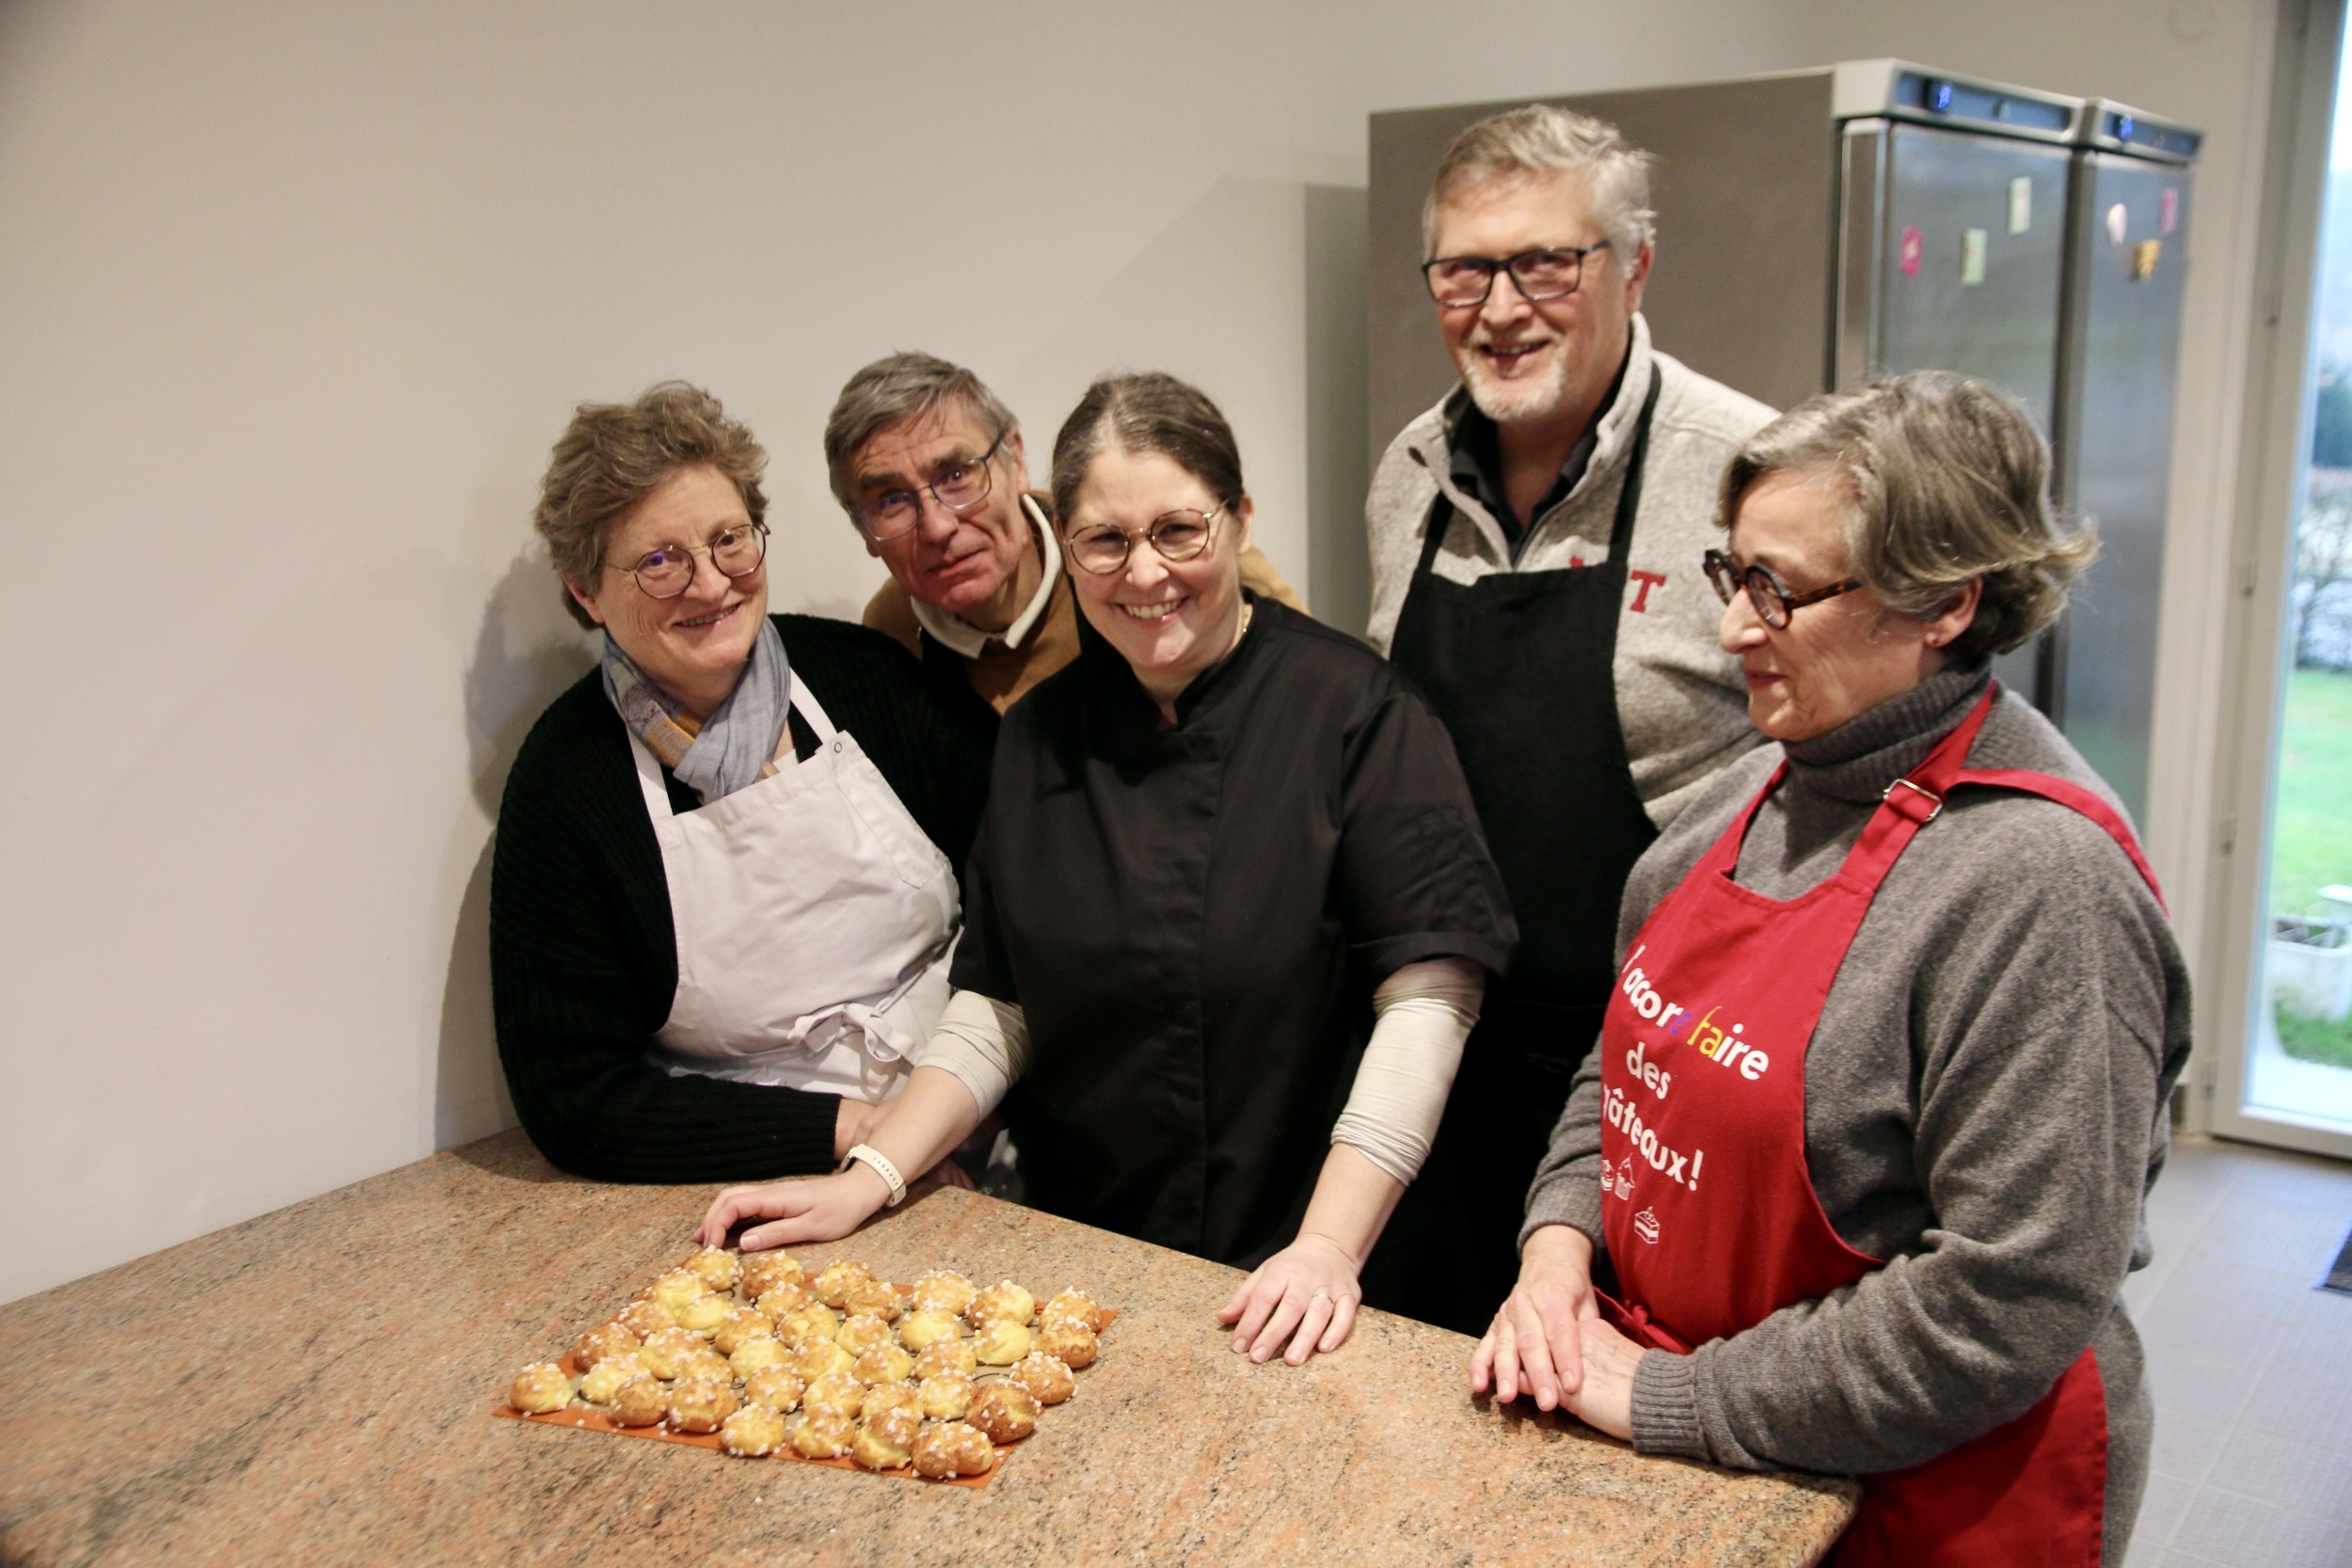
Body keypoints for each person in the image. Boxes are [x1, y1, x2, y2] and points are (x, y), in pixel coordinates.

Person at [1472, 372, 2191, 1568]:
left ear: (1943, 604)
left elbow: (2003, 1299)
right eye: (1731, 572)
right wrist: (1555, 1251)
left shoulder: (2036, 885)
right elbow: (1621, 1072)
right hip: (1702, 1458)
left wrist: (1672, 1400)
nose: (1731, 628)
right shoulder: (1732, 809)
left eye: (1779, 589)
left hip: (1929, 1500)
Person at [703, 372, 1516, 1365]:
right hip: (1105, 1256)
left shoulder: (1357, 712)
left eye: (1180, 530)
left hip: (1330, 1270)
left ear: (1238, 519)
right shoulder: (1039, 735)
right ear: (1068, 541)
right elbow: (998, 1004)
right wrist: (869, 1174)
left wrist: (1326, 1248)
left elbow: (1431, 1000)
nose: (1145, 574)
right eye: (1105, 540)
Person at [1363, 105, 1778, 1328]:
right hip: (1438, 1046)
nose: (1499, 307)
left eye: (1545, 261)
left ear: (1633, 264)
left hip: (1658, 1075)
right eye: (1464, 268)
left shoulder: (1746, 473)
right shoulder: (1408, 474)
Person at [491, 382, 992, 1182]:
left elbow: (1031, 906)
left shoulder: (867, 680)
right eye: (661, 561)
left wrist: (953, 1101)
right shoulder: (568, 784)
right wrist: (861, 1132)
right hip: (778, 1180)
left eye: (730, 539)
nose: (712, 582)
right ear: (586, 592)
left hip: (982, 1114)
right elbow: (573, 1095)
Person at [833, 351, 1303, 717]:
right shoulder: (892, 636)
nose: (937, 525)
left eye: (957, 475)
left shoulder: (1176, 558)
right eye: (890, 501)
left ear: (1015, 459)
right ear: (862, 530)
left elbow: (1306, 691)